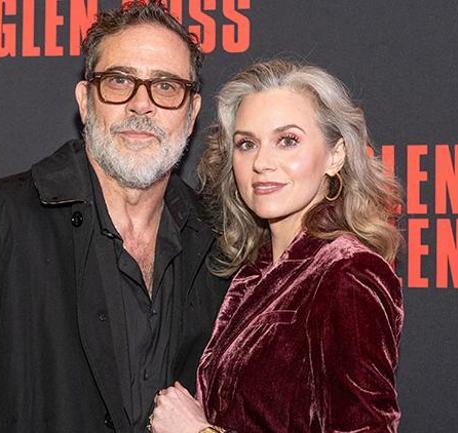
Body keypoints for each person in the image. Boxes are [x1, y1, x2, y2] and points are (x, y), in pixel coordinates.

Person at [0, 2, 228, 432]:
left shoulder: (219, 241)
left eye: (166, 86)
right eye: (119, 80)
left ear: (192, 112)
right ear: (85, 101)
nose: (141, 105)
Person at [149, 59, 404, 433]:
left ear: (335, 156)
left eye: (288, 141)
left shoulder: (348, 272)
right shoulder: (253, 272)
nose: (262, 163)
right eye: (247, 144)